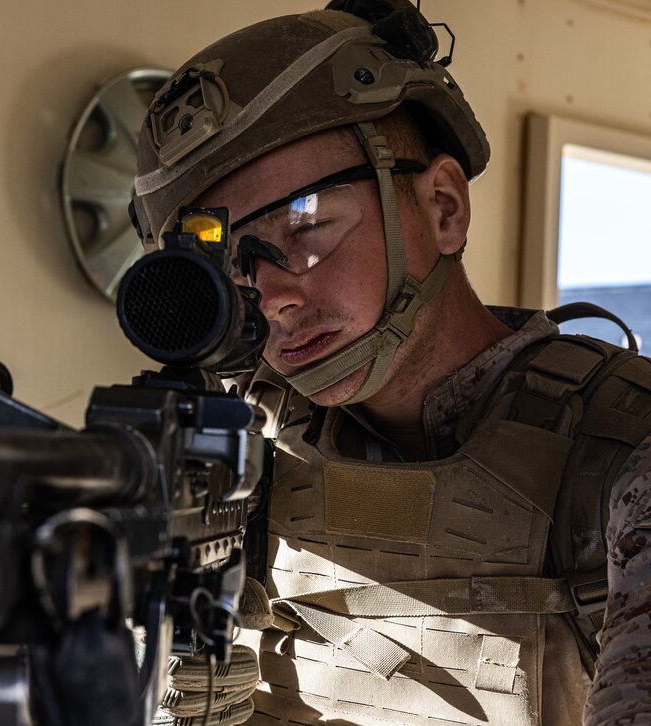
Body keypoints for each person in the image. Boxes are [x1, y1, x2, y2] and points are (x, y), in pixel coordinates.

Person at [129, 1, 651, 725]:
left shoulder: (627, 456)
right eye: (233, 260)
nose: (272, 296)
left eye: (305, 223)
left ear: (443, 206)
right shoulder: (228, 447)